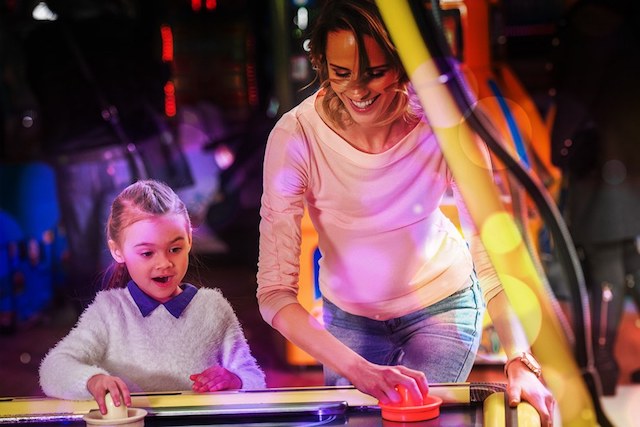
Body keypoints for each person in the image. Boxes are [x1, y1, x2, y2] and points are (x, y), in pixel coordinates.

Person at [256, 0, 554, 424]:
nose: (358, 90)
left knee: (414, 419)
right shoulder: (296, 136)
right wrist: (358, 370)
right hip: (349, 318)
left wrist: (520, 359)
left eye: (375, 73)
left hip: (441, 303)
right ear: (321, 62)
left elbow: (491, 254)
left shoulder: (447, 125)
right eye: (341, 73)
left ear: (402, 63)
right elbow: (275, 295)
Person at [40, 180, 265, 415]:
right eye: (147, 253)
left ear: (189, 239)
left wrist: (235, 380)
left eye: (175, 249)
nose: (164, 263)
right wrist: (93, 380)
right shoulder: (109, 311)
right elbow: (53, 367)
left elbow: (255, 378)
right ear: (118, 251)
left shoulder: (213, 308)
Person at [551, 0, 640, 395]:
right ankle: (601, 363)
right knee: (626, 260)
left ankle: (599, 367)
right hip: (626, 157)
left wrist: (559, 148)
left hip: (599, 159)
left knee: (606, 260)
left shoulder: (592, 20)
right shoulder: (623, 17)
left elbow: (575, 97)